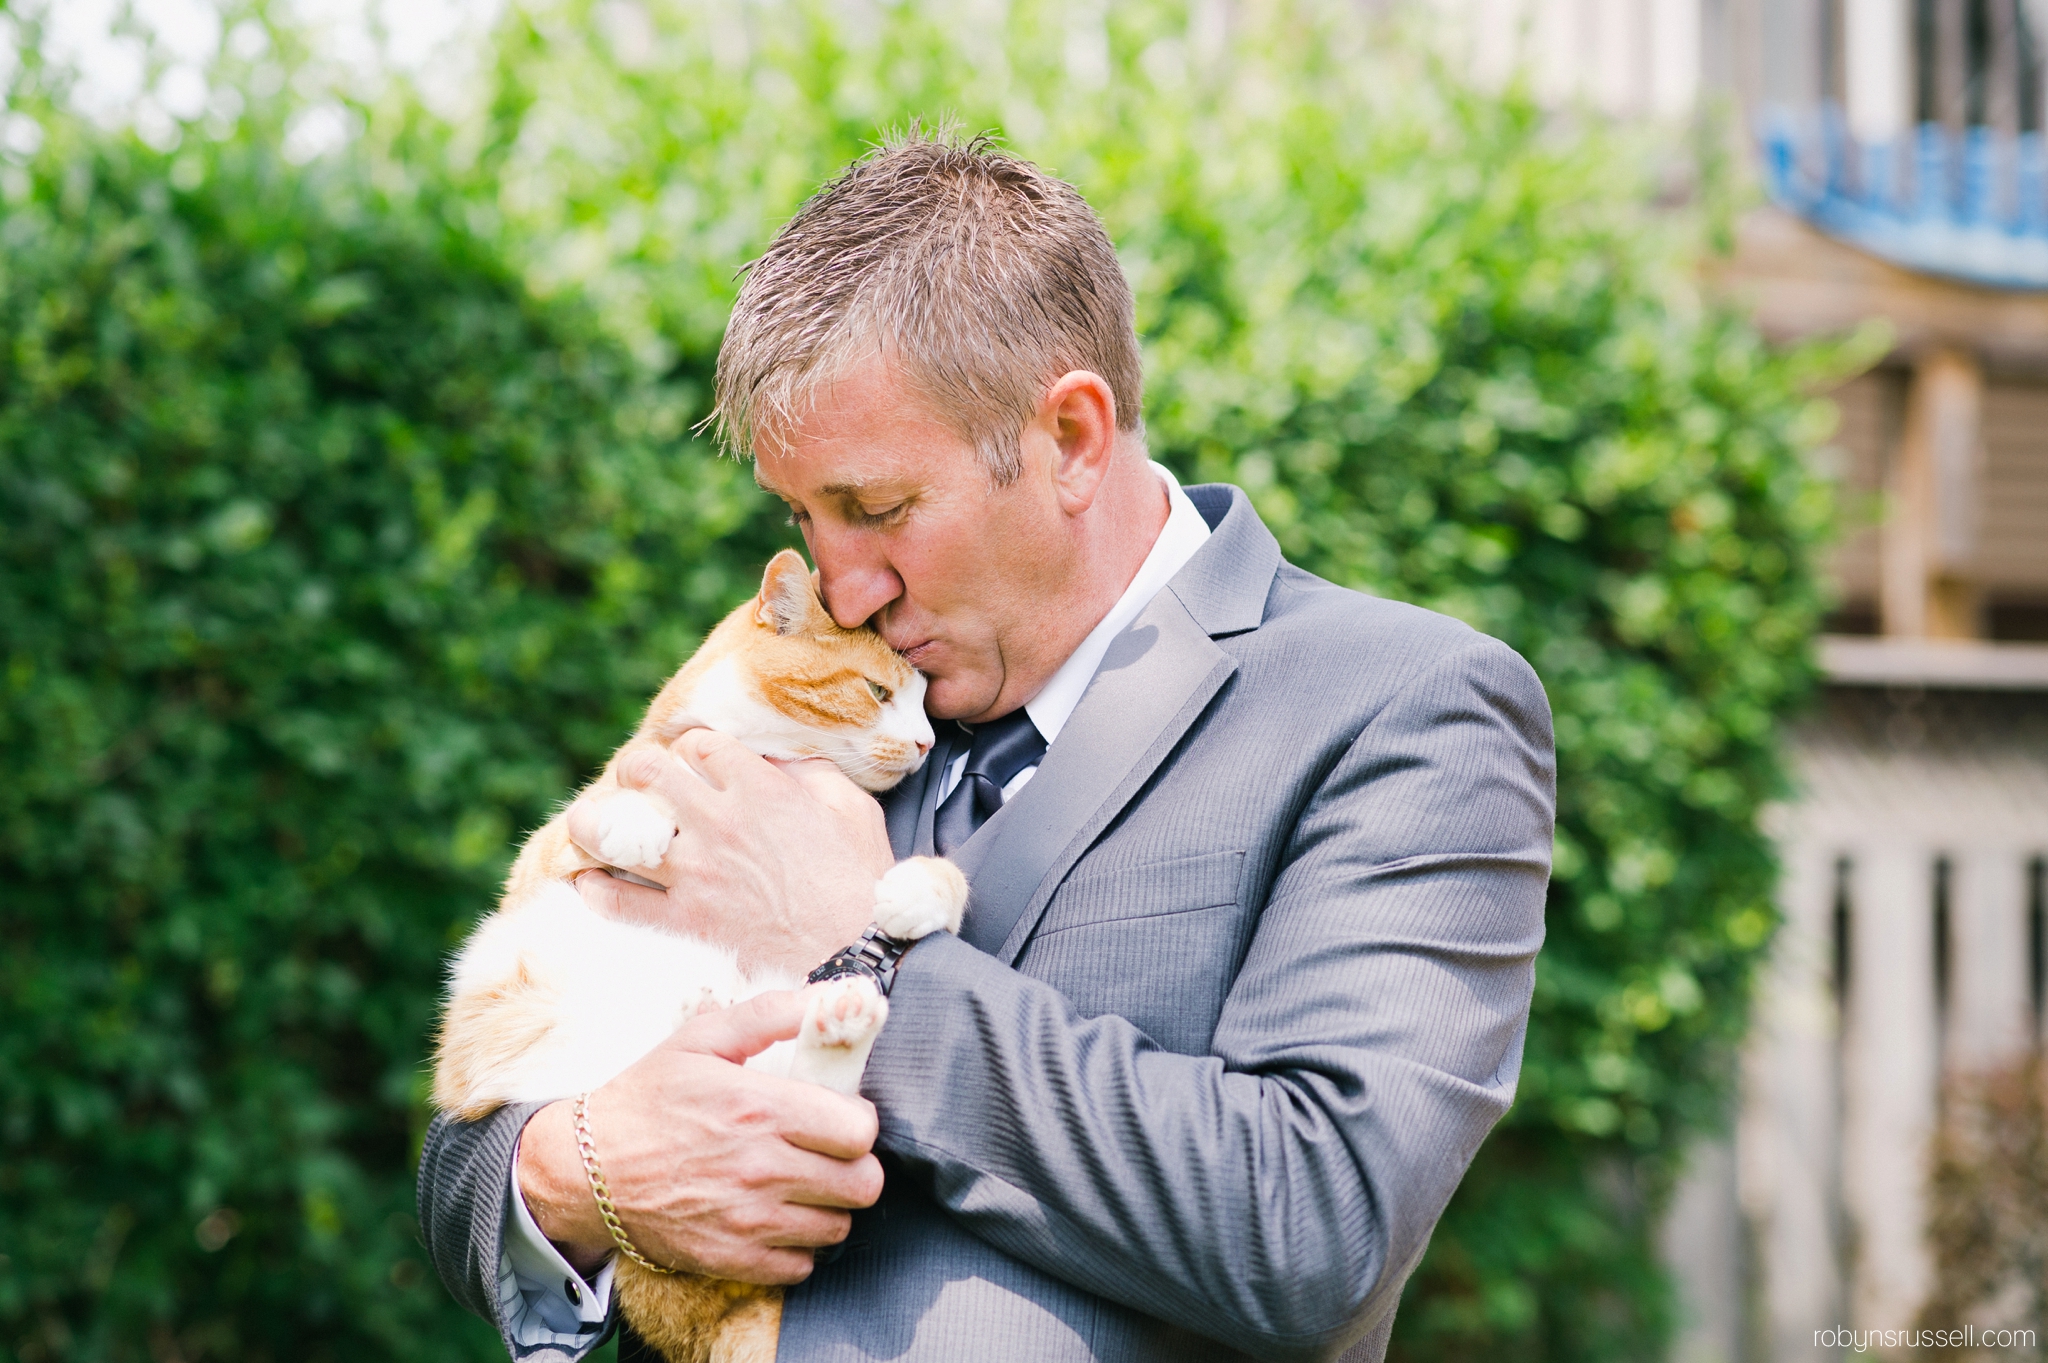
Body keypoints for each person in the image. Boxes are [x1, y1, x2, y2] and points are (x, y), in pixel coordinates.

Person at [418, 131, 1554, 1363]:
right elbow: (472, 1144)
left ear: (1069, 437)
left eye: (878, 508)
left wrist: (852, 949)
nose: (841, 588)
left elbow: (1308, 1221)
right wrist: (587, 1165)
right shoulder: (817, 703)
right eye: (805, 516)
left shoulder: (1400, 703)